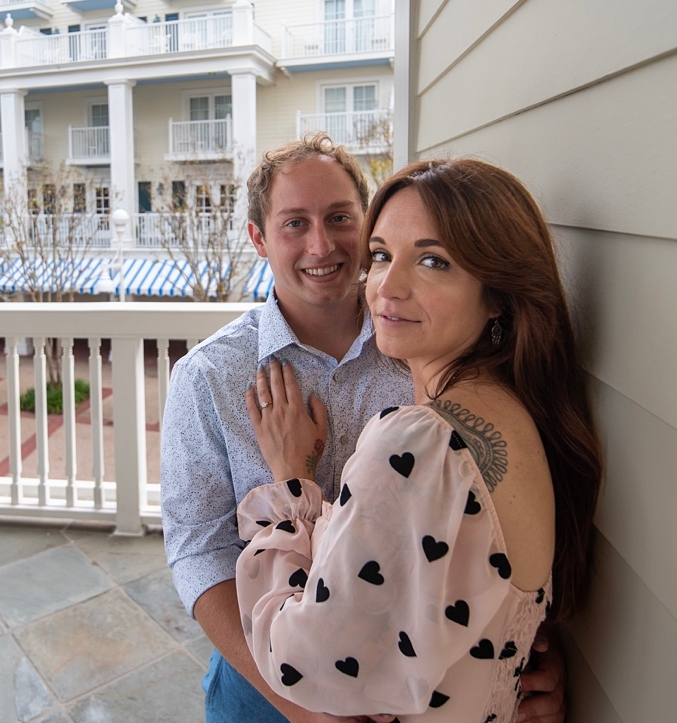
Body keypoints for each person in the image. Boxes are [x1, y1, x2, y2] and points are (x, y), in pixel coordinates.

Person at [160, 137, 568, 723]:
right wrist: (298, 708)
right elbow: (199, 549)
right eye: (294, 223)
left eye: (340, 218)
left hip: (411, 684)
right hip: (260, 684)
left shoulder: (423, 341)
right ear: (259, 239)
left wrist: (521, 658)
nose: (321, 245)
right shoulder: (209, 377)